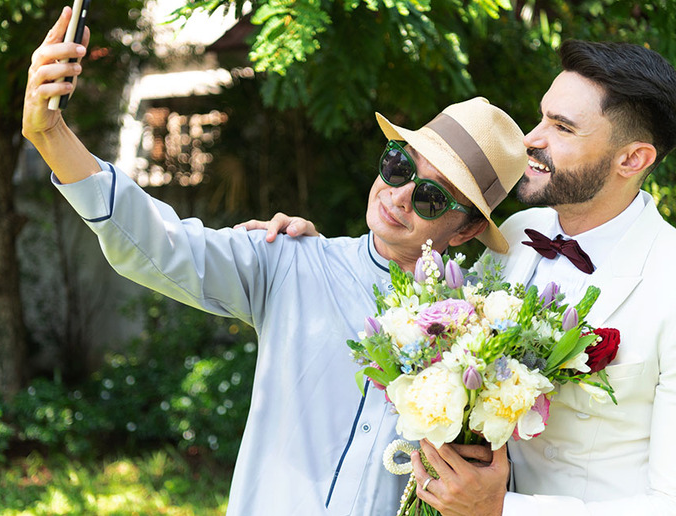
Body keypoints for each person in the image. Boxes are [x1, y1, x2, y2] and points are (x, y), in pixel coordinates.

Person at [22, 7, 527, 515]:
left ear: (465, 230)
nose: (399, 197)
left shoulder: (485, 344)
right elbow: (160, 243)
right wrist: (51, 135)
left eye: (432, 198)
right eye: (399, 166)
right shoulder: (288, 261)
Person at [256, 40, 676, 515]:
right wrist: (313, 249)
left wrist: (502, 509)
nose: (530, 140)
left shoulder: (669, 280)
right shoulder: (515, 237)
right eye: (542, 117)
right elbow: (424, 314)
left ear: (632, 159)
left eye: (562, 128)